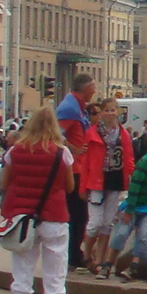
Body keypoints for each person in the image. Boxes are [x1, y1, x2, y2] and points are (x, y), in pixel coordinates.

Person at [0, 106, 75, 294]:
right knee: (55, 278)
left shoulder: (15, 151)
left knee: (21, 277)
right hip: (54, 217)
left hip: (24, 220)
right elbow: (69, 187)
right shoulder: (62, 153)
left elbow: (4, 183)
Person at [82, 98, 135, 278]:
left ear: (118, 112)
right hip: (96, 182)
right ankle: (87, 255)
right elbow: (85, 161)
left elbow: (128, 157)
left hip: (115, 180)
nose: (110, 113)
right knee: (94, 224)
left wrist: (131, 175)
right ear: (101, 113)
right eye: (107, 110)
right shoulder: (92, 133)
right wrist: (82, 187)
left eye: (113, 110)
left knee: (107, 224)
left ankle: (100, 261)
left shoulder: (123, 134)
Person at [109, 131, 147, 283]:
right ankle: (108, 264)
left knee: (143, 236)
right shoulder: (145, 162)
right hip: (136, 206)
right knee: (121, 234)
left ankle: (134, 265)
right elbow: (135, 185)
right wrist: (130, 209)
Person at [55, 74, 95, 269]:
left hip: (80, 167)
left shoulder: (77, 107)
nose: (94, 91)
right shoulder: (69, 108)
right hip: (73, 169)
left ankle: (74, 253)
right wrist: (74, 149)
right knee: (76, 215)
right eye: (92, 87)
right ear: (85, 88)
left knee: (80, 215)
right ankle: (72, 255)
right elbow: (56, 134)